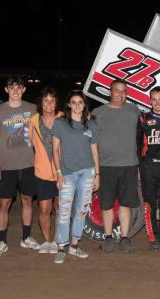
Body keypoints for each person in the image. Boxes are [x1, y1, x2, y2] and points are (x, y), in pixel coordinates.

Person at [0, 77, 40, 257]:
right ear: (6, 89)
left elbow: (37, 137)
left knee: (27, 201)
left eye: (19, 87)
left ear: (24, 90)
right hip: (7, 167)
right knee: (4, 204)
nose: (16, 90)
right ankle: (1, 242)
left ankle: (26, 238)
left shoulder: (32, 109)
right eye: (12, 87)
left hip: (28, 165)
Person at [92, 79, 140, 253]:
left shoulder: (134, 111)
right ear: (109, 92)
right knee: (106, 204)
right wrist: (95, 169)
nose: (120, 94)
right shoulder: (98, 113)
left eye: (124, 91)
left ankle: (125, 238)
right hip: (106, 166)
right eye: (117, 91)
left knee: (126, 204)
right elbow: (91, 142)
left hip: (129, 165)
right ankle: (108, 237)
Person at [52, 90, 100, 264]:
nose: (77, 105)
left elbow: (94, 150)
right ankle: (60, 247)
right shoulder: (60, 123)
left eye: (81, 102)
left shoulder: (91, 124)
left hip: (87, 172)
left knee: (81, 210)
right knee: (64, 211)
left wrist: (97, 174)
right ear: (69, 105)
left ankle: (74, 245)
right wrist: (58, 172)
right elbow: (55, 150)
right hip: (67, 173)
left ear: (85, 105)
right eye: (74, 102)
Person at [137, 86, 160, 251]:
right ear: (149, 100)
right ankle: (152, 240)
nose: (157, 102)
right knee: (149, 203)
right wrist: (139, 167)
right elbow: (137, 146)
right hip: (148, 166)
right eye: (154, 99)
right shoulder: (143, 119)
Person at [29, 87, 63, 254]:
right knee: (44, 209)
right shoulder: (34, 120)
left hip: (61, 172)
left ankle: (57, 240)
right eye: (46, 100)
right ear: (41, 103)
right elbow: (30, 143)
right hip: (42, 172)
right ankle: (47, 241)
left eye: (52, 100)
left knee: (59, 208)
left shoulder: (63, 118)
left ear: (56, 103)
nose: (49, 104)